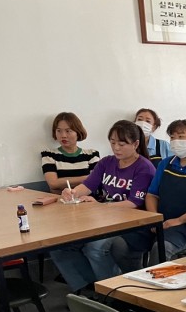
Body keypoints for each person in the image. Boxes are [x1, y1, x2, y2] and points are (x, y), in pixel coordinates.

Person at [50, 120, 156, 294]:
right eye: (112, 143)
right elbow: (87, 185)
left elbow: (133, 203)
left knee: (95, 247)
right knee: (59, 247)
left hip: (132, 225)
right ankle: (87, 288)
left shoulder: (144, 168)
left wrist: (101, 206)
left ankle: (114, 293)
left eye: (122, 144)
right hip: (103, 220)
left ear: (136, 144)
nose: (116, 148)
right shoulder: (107, 162)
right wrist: (72, 192)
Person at [118, 119, 186, 264]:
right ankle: (133, 275)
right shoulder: (165, 164)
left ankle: (157, 277)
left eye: (181, 137)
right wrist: (155, 218)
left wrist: (179, 221)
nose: (176, 141)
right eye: (172, 138)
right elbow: (152, 194)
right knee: (119, 243)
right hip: (160, 221)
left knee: (160, 248)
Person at [41, 112, 100, 194]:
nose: (63, 135)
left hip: (88, 199)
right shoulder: (49, 155)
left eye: (68, 131)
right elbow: (53, 184)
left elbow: (96, 181)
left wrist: (62, 182)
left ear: (78, 132)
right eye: (59, 131)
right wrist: (87, 178)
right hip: (61, 200)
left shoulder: (92, 154)